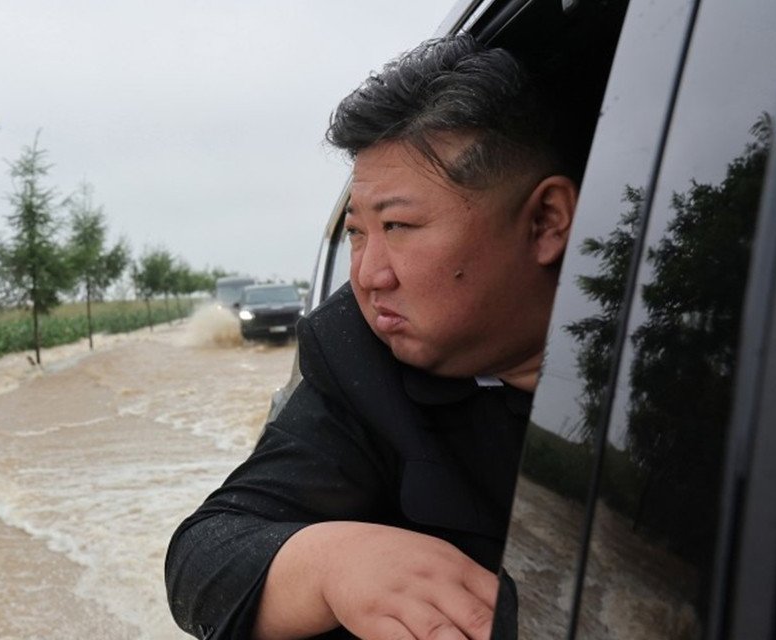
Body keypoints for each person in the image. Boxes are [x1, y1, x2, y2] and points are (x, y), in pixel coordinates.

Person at [165, 34, 581, 640]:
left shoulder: (699, 361)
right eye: (358, 233)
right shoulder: (359, 358)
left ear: (545, 223)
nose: (367, 275)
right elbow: (204, 556)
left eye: (399, 225)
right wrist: (330, 563)